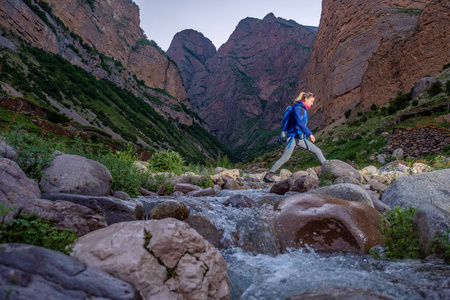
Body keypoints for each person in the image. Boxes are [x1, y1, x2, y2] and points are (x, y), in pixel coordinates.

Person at [263, 91, 326, 183]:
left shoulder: (303, 109)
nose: (312, 104)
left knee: (317, 151)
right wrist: (310, 134)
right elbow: (299, 123)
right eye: (311, 101)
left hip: (300, 138)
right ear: (305, 99)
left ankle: (328, 170)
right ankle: (269, 175)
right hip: (292, 137)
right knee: (285, 157)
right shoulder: (297, 108)